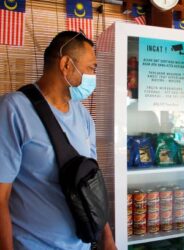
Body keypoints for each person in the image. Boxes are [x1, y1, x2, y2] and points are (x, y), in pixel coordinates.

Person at [0, 31, 116, 250]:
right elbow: (0, 198)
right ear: (66, 65)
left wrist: (107, 239)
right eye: (91, 68)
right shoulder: (13, 110)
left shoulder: (83, 117)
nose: (94, 77)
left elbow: (92, 186)